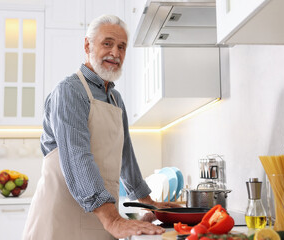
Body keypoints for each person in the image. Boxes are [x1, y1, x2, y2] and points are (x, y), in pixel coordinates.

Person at [22, 15, 178, 240]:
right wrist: (113, 219)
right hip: (61, 219)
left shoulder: (115, 99)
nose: (115, 53)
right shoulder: (69, 91)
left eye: (122, 47)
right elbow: (77, 158)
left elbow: (125, 157)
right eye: (108, 43)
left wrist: (148, 203)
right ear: (87, 45)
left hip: (101, 218)